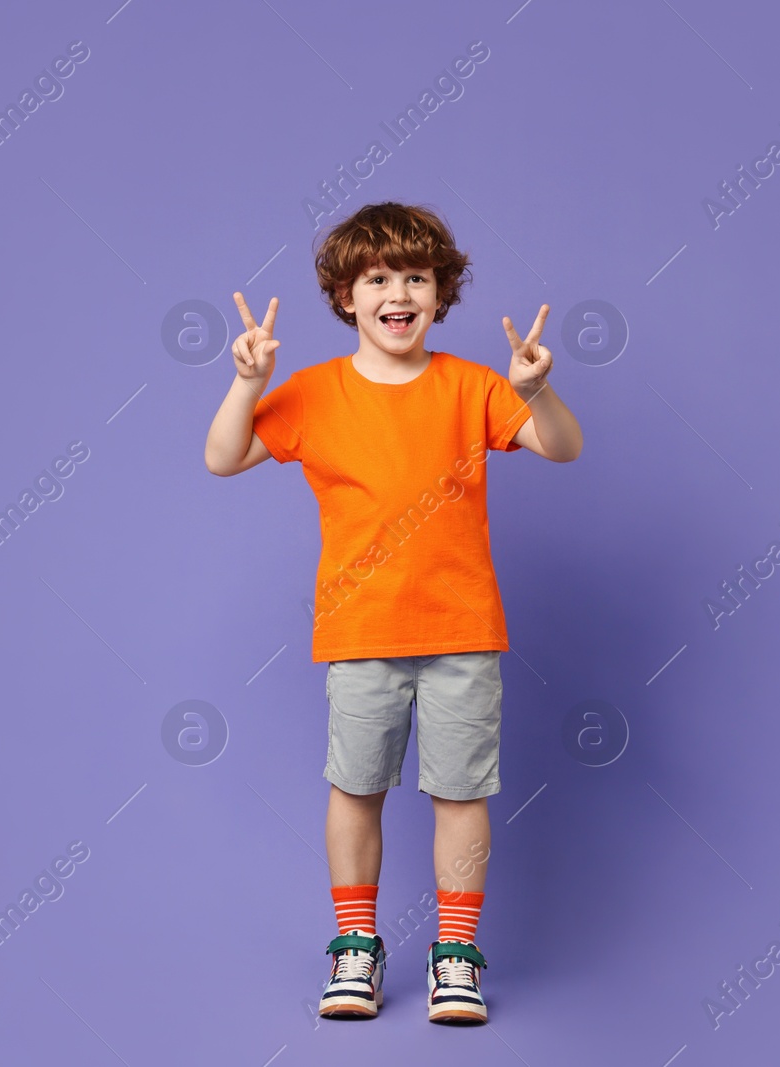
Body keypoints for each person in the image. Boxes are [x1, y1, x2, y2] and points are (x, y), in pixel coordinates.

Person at [204, 201, 582, 1024]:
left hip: (461, 634)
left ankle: (455, 956)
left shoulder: (474, 386)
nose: (398, 292)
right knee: (357, 787)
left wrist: (537, 389)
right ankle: (356, 948)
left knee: (460, 793)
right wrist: (246, 382)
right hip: (361, 633)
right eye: (377, 278)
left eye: (416, 276)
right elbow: (223, 457)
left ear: (441, 292)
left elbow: (563, 445)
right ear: (346, 296)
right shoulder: (312, 393)